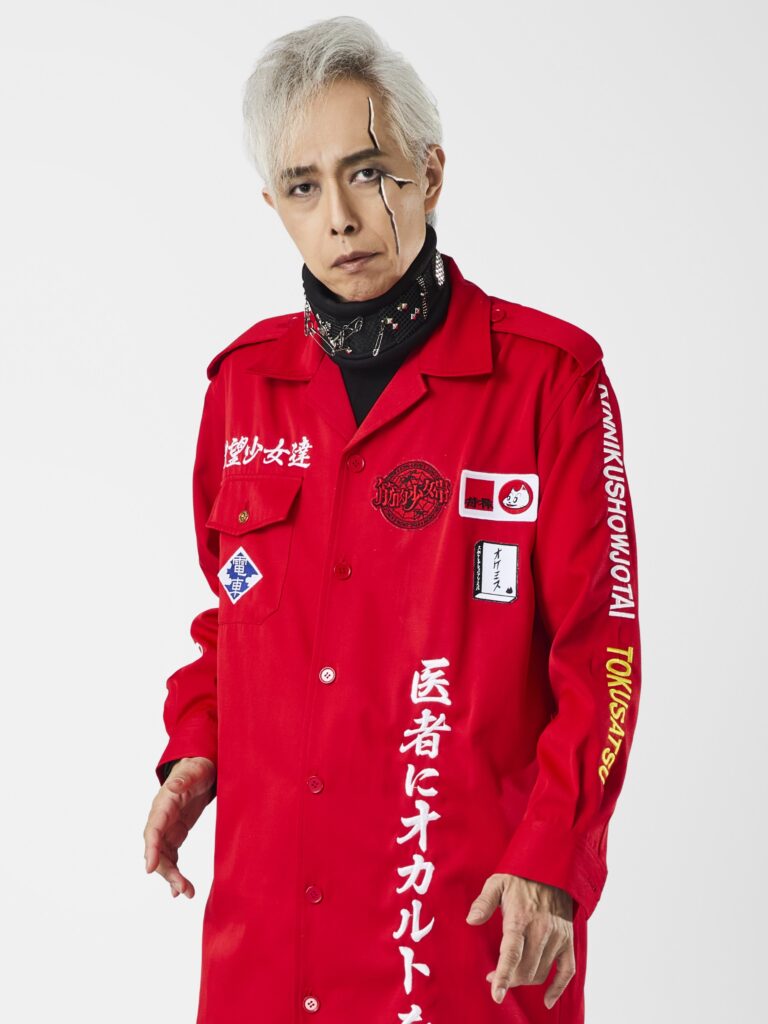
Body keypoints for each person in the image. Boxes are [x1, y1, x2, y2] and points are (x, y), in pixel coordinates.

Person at [143, 15, 642, 1024]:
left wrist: (553, 858)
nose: (339, 217)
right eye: (302, 186)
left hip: (456, 931)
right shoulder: (244, 389)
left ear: (430, 174)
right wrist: (197, 745)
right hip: (267, 942)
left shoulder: (550, 382)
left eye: (368, 172)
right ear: (274, 205)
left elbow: (604, 657)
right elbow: (232, 612)